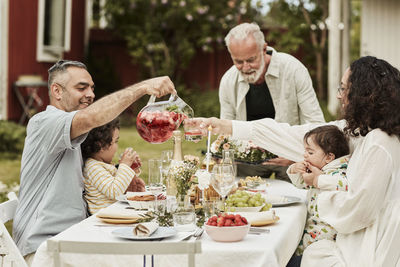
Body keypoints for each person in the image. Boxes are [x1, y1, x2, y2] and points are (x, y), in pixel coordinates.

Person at [189, 56, 400, 266]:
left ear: (364, 95)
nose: (339, 96)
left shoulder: (379, 143)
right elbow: (293, 135)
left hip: (365, 251)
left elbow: (358, 210)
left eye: (344, 89)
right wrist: (226, 126)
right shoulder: (365, 133)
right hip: (356, 241)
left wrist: (320, 186)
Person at [12, 60, 175, 263]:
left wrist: (122, 178)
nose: (90, 94)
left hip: (76, 237)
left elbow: (89, 176)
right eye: (82, 88)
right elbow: (91, 118)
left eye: (91, 88)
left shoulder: (74, 132)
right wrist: (143, 88)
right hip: (43, 249)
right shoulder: (44, 122)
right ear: (57, 91)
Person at [219, 22, 325, 179]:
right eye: (238, 62)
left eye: (251, 60)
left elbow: (316, 123)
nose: (246, 67)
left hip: (292, 155)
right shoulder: (228, 80)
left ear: (264, 49)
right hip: (248, 160)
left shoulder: (294, 70)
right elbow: (226, 129)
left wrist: (298, 156)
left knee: (299, 198)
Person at [287, 125, 350, 256]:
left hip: (327, 229)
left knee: (303, 249)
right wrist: (294, 169)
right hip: (314, 223)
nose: (305, 155)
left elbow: (344, 185)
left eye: (310, 152)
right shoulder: (319, 168)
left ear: (329, 157)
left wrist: (318, 179)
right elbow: (302, 184)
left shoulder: (340, 171)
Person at [81, 118, 145, 215]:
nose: (117, 146)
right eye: (116, 141)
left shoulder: (104, 165)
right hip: (104, 220)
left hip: (114, 215)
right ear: (101, 145)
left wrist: (131, 174)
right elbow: (115, 192)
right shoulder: (92, 167)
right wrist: (125, 166)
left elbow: (118, 185)